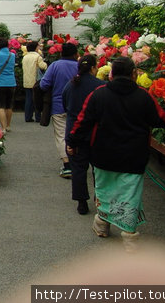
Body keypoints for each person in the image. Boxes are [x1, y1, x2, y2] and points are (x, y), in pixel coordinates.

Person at [66, 57, 165, 252]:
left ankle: (102, 224)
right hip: (134, 155)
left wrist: (72, 143)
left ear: (111, 74)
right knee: (130, 194)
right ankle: (129, 236)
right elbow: (161, 119)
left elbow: (82, 121)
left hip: (103, 153)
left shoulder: (98, 94)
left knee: (104, 189)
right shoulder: (143, 96)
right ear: (134, 74)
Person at [61, 54, 104, 215]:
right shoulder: (101, 86)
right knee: (98, 169)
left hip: (74, 133)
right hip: (95, 133)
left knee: (78, 168)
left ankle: (81, 202)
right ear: (93, 68)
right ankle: (99, 199)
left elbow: (65, 104)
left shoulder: (71, 85)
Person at [38, 42, 78, 178]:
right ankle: (77, 162)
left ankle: (67, 165)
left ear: (61, 53)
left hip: (58, 106)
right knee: (76, 133)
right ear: (76, 54)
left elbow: (43, 84)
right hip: (77, 107)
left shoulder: (55, 66)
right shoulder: (80, 66)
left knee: (61, 135)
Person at [21, 40, 47, 123]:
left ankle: (28, 117)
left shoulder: (25, 57)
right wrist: (45, 63)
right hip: (36, 81)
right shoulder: (37, 56)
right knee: (37, 99)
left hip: (27, 80)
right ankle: (38, 117)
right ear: (35, 47)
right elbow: (43, 66)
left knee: (28, 99)